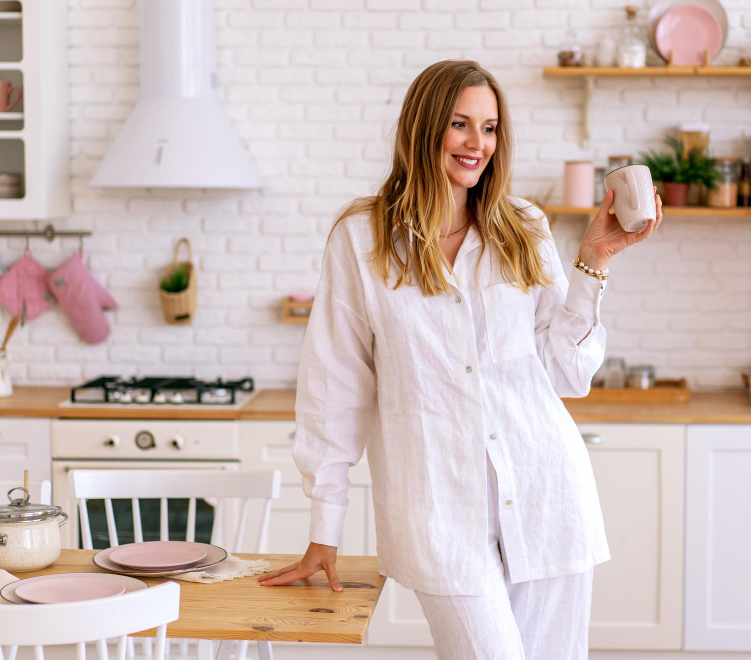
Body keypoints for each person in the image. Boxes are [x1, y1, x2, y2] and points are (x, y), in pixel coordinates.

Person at [258, 59, 662, 660]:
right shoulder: (362, 238)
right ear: (424, 128)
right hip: (438, 513)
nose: (478, 144)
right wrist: (325, 531)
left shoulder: (523, 226)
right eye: (460, 124)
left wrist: (595, 262)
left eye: (491, 128)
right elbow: (334, 389)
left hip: (546, 496)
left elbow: (563, 376)